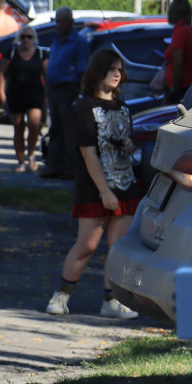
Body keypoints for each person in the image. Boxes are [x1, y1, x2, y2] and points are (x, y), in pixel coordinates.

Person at [45, 49, 141, 320]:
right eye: (111, 69)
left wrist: (129, 145)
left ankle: (112, 301)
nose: (117, 74)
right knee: (87, 245)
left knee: (118, 245)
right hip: (95, 187)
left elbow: (123, 142)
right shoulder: (83, 107)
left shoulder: (123, 106)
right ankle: (61, 295)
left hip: (124, 182)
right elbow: (87, 154)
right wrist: (105, 192)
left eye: (120, 70)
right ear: (97, 73)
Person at [40, 7, 90, 180]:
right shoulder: (57, 40)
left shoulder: (79, 42)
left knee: (69, 130)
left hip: (69, 90)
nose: (58, 25)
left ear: (71, 22)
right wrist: (47, 89)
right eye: (57, 21)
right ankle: (55, 166)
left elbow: (83, 71)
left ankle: (70, 168)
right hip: (54, 90)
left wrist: (80, 96)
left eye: (62, 21)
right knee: (55, 130)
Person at [0, 26, 47, 172]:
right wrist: (1, 92)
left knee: (34, 124)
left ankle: (31, 154)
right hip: (15, 95)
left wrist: (48, 96)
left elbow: (47, 76)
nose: (26, 39)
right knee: (18, 127)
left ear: (34, 39)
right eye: (23, 36)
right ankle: (20, 161)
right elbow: (2, 73)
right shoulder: (11, 53)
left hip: (35, 96)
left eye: (29, 37)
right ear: (19, 38)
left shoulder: (40, 54)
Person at [163, 0, 192, 105]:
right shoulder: (189, 29)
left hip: (180, 87)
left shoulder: (180, 32)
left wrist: (174, 89)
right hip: (189, 83)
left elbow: (178, 63)